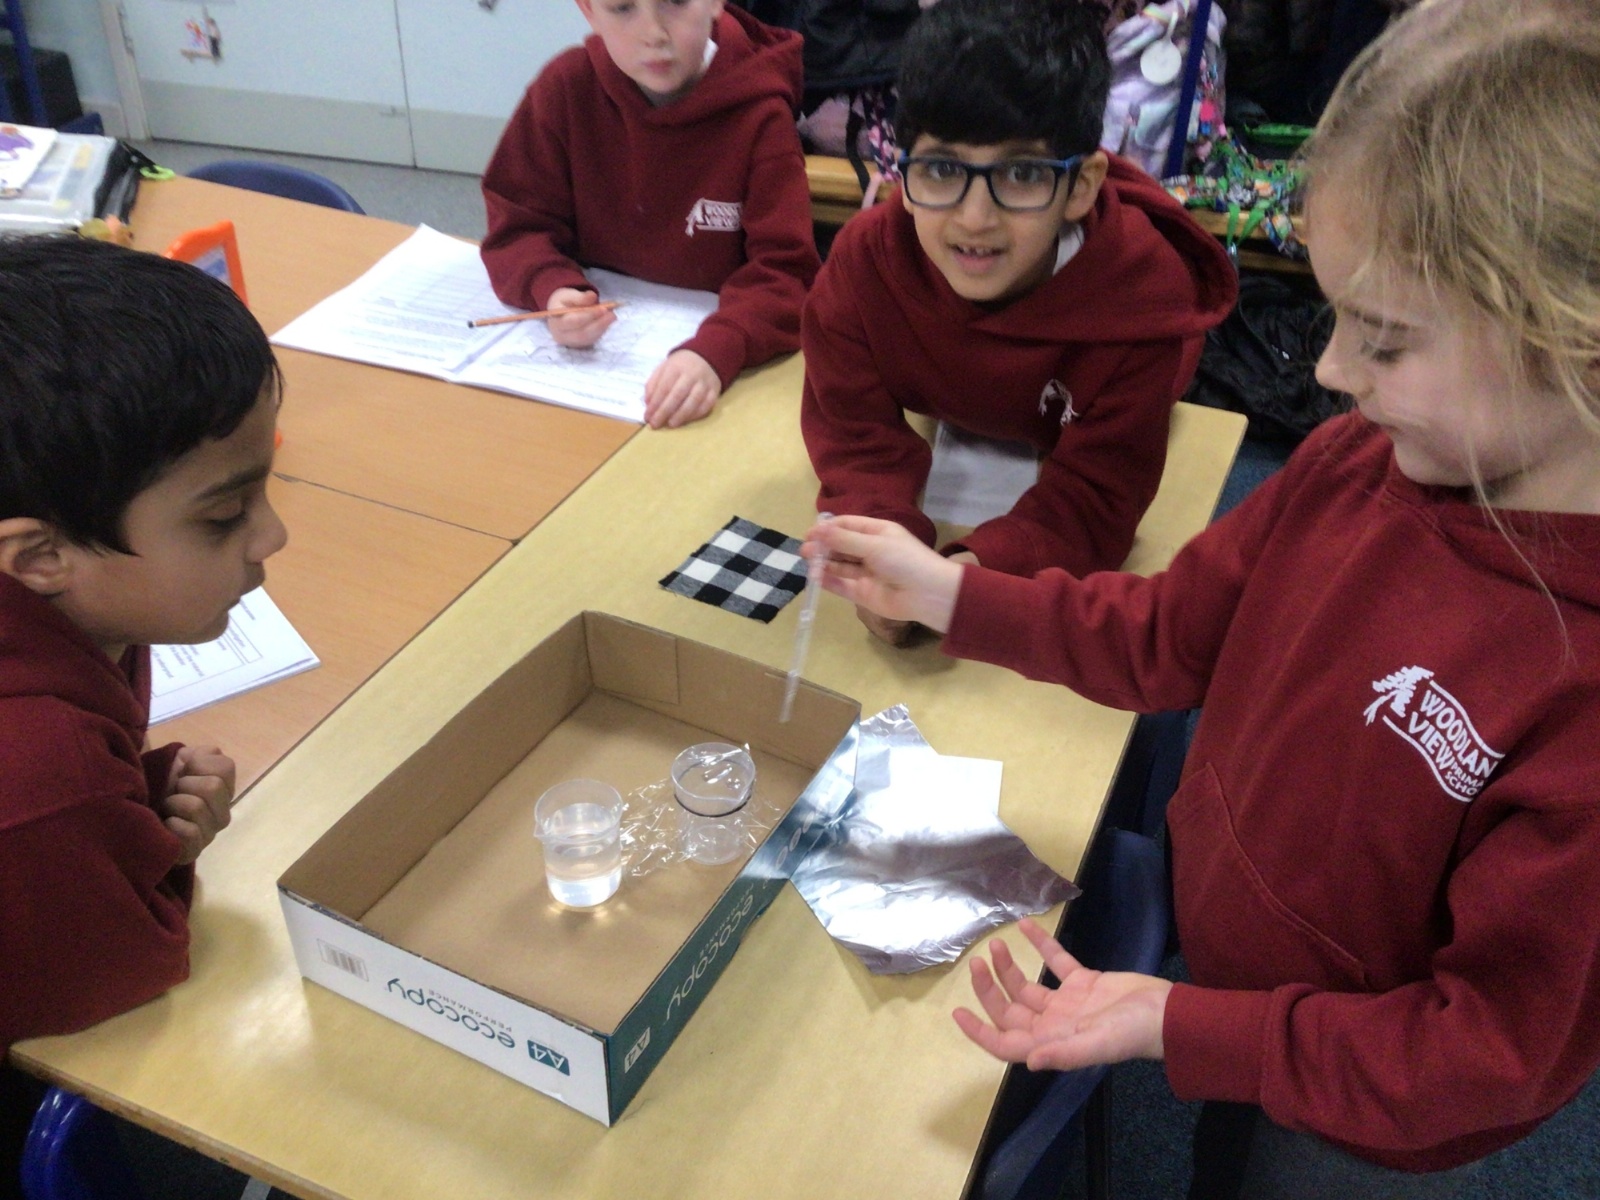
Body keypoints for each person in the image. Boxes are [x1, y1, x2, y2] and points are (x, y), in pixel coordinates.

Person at [804, 0, 1600, 1191]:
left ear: (1572, 339)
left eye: (1383, 341)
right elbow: (1167, 634)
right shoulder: (1351, 464)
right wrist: (953, 595)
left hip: (1365, 1124)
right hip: (1234, 985)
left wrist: (1186, 1029)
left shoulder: (1575, 691)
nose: (1326, 371)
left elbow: (1482, 1053)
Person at [799, 0, 1236, 646]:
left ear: (1081, 186)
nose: (975, 219)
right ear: (902, 168)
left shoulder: (1144, 305)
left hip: (1107, 398)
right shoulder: (862, 265)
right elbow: (853, 434)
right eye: (941, 168)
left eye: (1023, 173)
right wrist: (878, 535)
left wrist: (968, 581)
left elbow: (1095, 500)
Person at [0, 236, 287, 1196]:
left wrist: (124, 798)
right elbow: (123, 969)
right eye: (223, 516)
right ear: (41, 557)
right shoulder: (43, 777)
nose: (273, 535)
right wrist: (147, 842)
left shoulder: (80, 611)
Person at [480, 0, 820, 430]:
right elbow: (518, 224)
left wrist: (717, 350)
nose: (653, 34)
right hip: (588, 391)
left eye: (674, 3)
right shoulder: (563, 89)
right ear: (588, 10)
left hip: (714, 384)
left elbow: (787, 273)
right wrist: (553, 290)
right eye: (623, 8)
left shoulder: (761, 114)